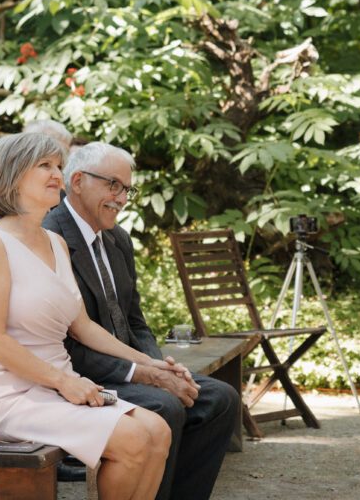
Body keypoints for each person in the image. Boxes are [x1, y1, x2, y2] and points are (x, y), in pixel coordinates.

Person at [0, 132, 171, 500]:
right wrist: (65, 383)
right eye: (44, 166)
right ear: (13, 175)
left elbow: (83, 327)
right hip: (10, 395)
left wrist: (150, 364)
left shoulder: (56, 242)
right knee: (133, 440)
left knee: (158, 431)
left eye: (58, 166)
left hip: (59, 384)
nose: (57, 175)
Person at [44, 142, 240, 500]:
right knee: (163, 405)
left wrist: (161, 366)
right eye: (112, 185)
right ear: (77, 181)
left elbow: (136, 321)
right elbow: (65, 345)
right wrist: (145, 375)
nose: (121, 198)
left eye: (127, 189)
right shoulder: (50, 238)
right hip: (81, 374)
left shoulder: (118, 239)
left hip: (134, 366)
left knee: (220, 399)